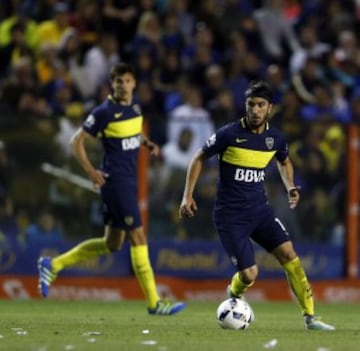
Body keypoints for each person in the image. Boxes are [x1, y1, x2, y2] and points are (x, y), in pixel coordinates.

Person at [179, 80, 335, 330]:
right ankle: (234, 291)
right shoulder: (228, 134)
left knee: (289, 254)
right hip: (230, 216)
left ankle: (311, 317)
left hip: (260, 211)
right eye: (251, 104)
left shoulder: (275, 138)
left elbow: (284, 162)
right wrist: (188, 195)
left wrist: (289, 186)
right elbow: (198, 158)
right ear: (246, 105)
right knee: (250, 274)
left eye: (261, 105)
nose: (255, 110)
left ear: (269, 108)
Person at [38, 62, 186, 316]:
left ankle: (53, 264)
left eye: (127, 80)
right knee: (138, 237)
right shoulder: (104, 111)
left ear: (134, 83)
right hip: (116, 183)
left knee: (112, 243)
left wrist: (147, 143)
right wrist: (91, 171)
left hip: (127, 181)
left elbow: (132, 134)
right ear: (112, 84)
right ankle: (155, 302)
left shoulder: (134, 109)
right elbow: (77, 142)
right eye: (118, 81)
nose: (122, 85)